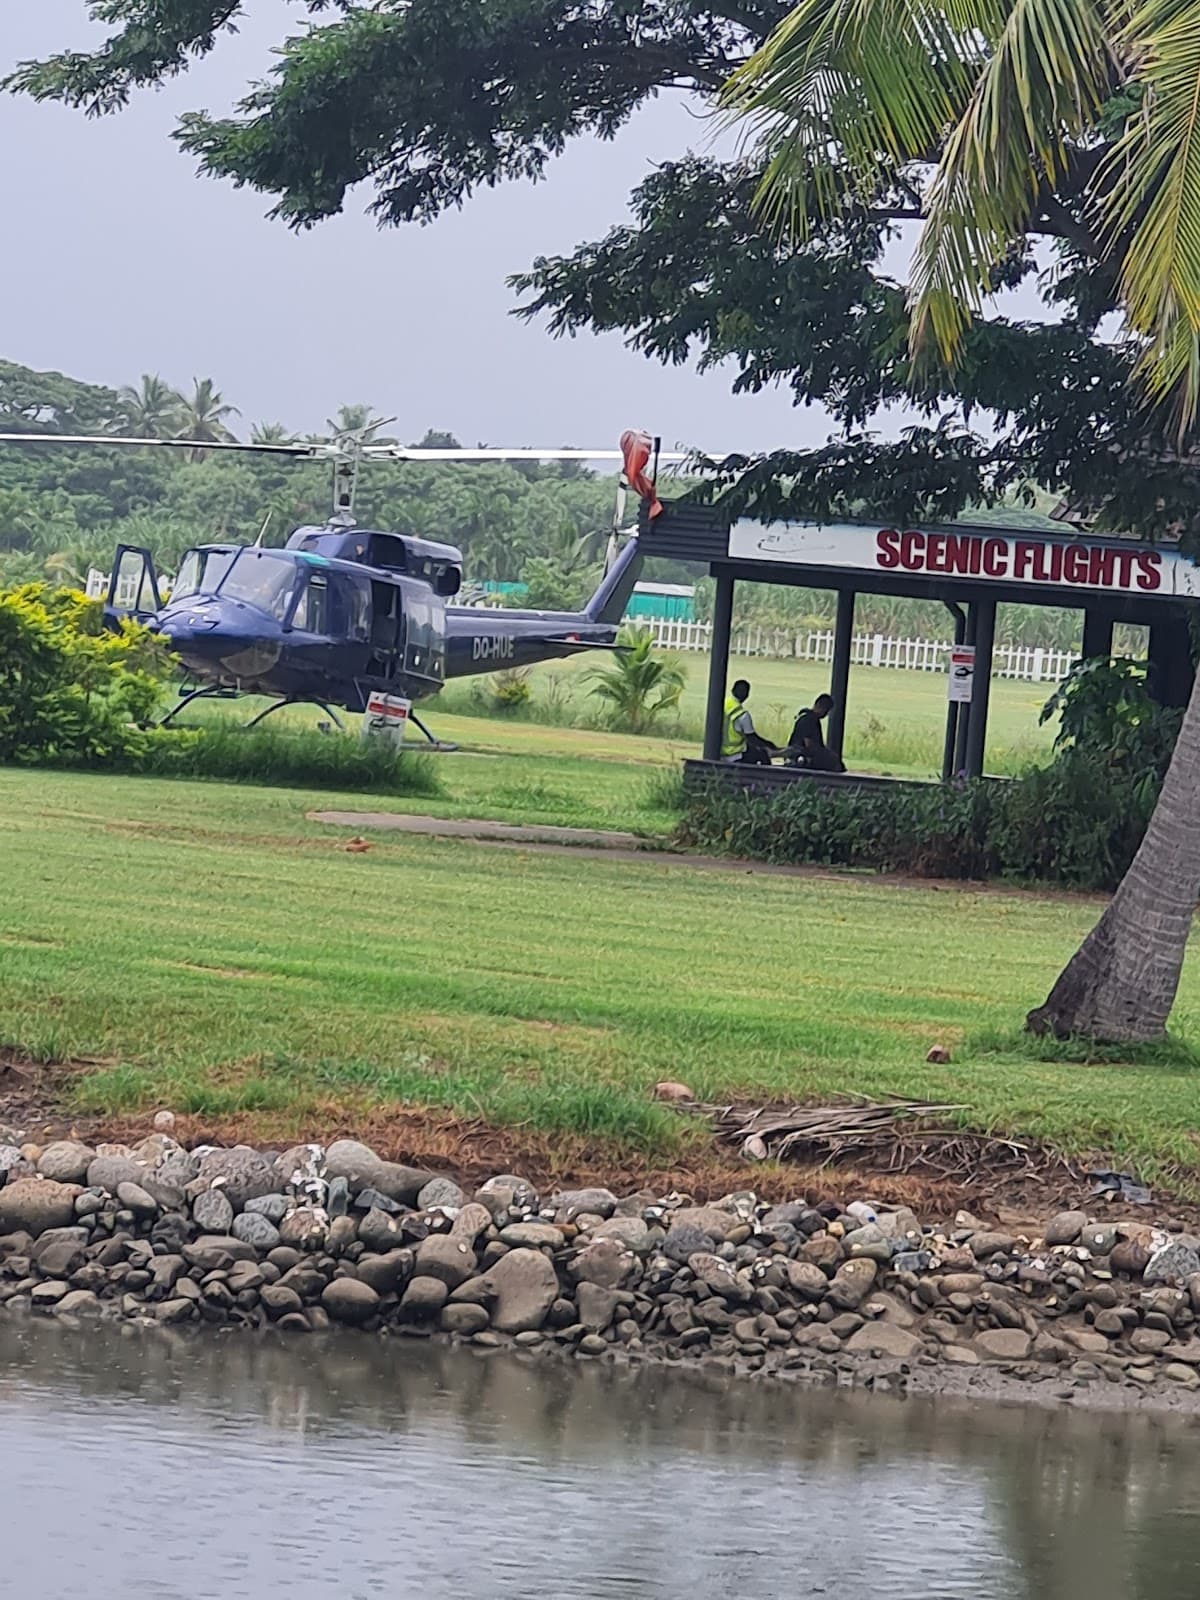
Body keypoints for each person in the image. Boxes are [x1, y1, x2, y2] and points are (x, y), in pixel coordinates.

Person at [721, 679, 777, 764]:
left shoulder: (722, 704)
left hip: (719, 752)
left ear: (732, 690)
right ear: (747, 695)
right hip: (735, 755)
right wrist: (769, 745)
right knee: (763, 755)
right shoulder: (742, 715)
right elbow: (752, 739)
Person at [787, 693, 846, 772]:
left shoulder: (804, 717)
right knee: (835, 762)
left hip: (798, 753)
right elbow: (809, 744)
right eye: (827, 710)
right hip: (804, 755)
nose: (826, 714)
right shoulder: (811, 720)